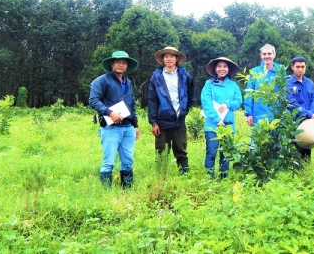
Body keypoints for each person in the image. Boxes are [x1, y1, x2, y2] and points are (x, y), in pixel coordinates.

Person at [89, 50, 140, 189]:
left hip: (127, 128)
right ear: (112, 64)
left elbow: (131, 105)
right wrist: (109, 112)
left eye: (124, 63)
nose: (121, 65)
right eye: (118, 62)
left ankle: (126, 190)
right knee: (108, 162)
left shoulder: (128, 82)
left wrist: (135, 125)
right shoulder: (101, 81)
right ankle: (106, 193)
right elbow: (93, 100)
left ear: (127, 66)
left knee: (128, 161)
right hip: (110, 128)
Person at [148, 46, 194, 175]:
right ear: (162, 59)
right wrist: (153, 122)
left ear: (177, 59)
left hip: (179, 119)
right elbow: (152, 100)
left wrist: (184, 110)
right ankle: (160, 175)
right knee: (161, 149)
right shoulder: (156, 77)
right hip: (162, 121)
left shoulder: (185, 76)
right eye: (166, 56)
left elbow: (191, 96)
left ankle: (184, 173)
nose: (169, 59)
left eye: (172, 56)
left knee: (181, 148)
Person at [201, 57, 242, 179]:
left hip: (228, 126)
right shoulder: (208, 84)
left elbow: (238, 101)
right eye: (219, 66)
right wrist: (216, 119)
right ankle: (209, 178)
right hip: (212, 125)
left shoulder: (233, 85)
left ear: (228, 69)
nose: (222, 69)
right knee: (211, 153)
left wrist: (227, 104)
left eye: (225, 66)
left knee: (226, 153)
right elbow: (206, 103)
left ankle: (223, 177)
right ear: (215, 68)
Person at [244, 43, 285, 126]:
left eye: (269, 53)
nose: (267, 56)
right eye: (264, 54)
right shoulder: (255, 72)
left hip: (276, 116)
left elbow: (285, 92)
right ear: (261, 56)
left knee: (275, 139)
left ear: (274, 55)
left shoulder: (280, 71)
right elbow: (249, 94)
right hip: (259, 116)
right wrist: (249, 114)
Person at [286, 56, 314, 161]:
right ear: (292, 67)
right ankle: (296, 175)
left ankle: (306, 173)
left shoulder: (310, 83)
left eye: (302, 67)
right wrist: (307, 114)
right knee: (297, 153)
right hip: (295, 123)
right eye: (297, 67)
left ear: (305, 67)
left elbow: (313, 99)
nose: (300, 69)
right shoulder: (288, 84)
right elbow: (292, 104)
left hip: (309, 122)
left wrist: (313, 114)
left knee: (308, 149)